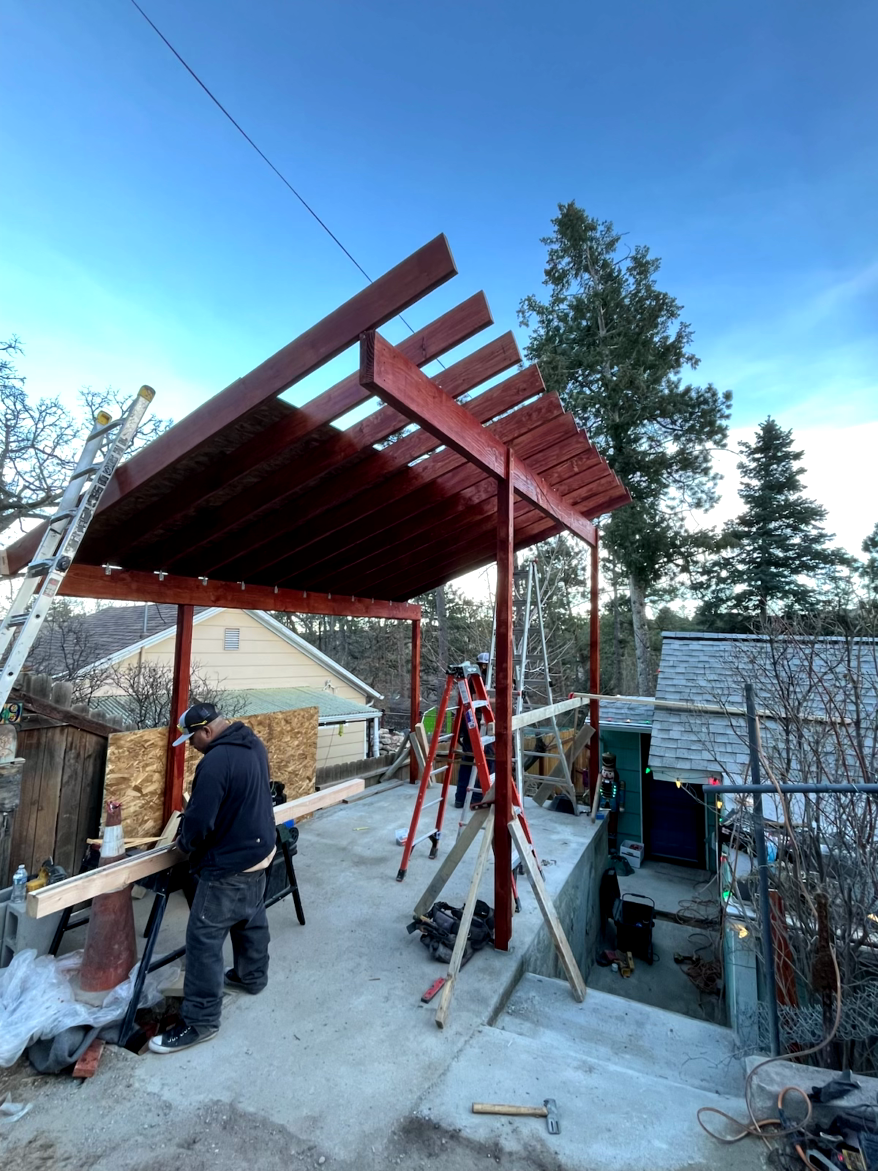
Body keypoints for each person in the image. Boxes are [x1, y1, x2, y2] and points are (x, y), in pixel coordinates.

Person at [149, 702, 276, 1054]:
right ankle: (252, 977)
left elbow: (201, 820)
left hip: (230, 863)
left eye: (191, 738)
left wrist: (186, 843)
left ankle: (200, 1020)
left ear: (206, 732)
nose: (190, 745)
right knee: (250, 915)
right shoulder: (252, 744)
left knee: (204, 938)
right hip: (261, 850)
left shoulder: (215, 763)